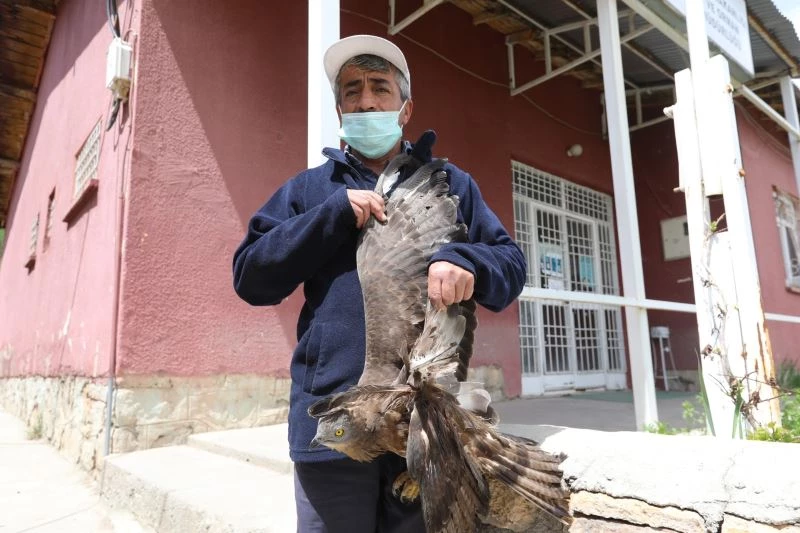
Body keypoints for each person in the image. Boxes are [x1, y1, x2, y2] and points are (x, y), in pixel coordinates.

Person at [232, 34, 526, 533]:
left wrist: (467, 262)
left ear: (405, 108)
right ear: (340, 111)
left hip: (427, 431)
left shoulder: (452, 185)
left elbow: (511, 266)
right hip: (333, 427)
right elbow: (250, 277)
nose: (366, 100)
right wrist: (330, 216)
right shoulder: (308, 190)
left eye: (379, 88)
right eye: (352, 91)